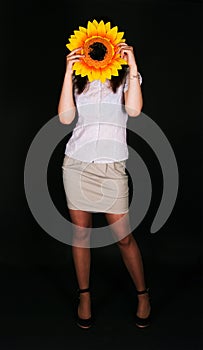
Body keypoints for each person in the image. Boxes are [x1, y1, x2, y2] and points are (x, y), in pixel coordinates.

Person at [58, 21, 151, 329]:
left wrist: (133, 65)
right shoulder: (79, 79)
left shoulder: (125, 77)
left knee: (124, 238)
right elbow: (65, 118)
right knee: (81, 235)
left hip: (112, 166)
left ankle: (142, 294)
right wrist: (67, 72)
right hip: (77, 164)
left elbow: (135, 111)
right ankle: (84, 295)